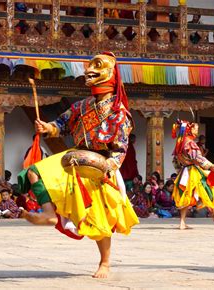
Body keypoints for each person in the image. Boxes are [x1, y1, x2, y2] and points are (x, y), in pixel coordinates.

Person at [17, 52, 139, 278]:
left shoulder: (119, 113)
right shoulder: (82, 106)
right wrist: (47, 127)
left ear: (110, 74)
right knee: (34, 172)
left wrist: (108, 168)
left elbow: (120, 148)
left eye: (96, 68)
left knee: (99, 219)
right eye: (89, 68)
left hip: (100, 164)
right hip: (75, 156)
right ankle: (48, 214)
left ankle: (105, 262)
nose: (88, 73)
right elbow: (61, 124)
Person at [171, 120, 214, 230]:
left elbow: (175, 161)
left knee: (187, 194)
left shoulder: (181, 143)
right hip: (193, 172)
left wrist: (180, 170)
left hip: (185, 171)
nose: (197, 131)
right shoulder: (190, 143)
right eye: (195, 129)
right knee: (208, 188)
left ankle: (182, 222)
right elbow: (197, 158)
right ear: (189, 130)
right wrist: (210, 166)